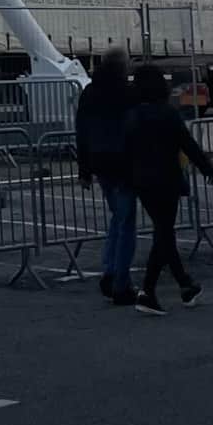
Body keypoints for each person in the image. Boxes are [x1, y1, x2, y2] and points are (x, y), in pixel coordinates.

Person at [124, 63, 213, 315]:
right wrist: (205, 165)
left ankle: (185, 284)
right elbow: (187, 143)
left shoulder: (132, 115)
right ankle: (148, 291)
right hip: (166, 178)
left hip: (142, 180)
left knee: (164, 233)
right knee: (164, 233)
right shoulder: (167, 113)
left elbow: (126, 149)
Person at [74, 48, 137, 305]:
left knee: (118, 217)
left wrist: (84, 169)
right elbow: (134, 128)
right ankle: (119, 279)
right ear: (122, 67)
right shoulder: (127, 93)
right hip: (123, 161)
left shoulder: (90, 92)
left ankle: (110, 269)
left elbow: (82, 130)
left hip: (99, 161)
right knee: (126, 221)